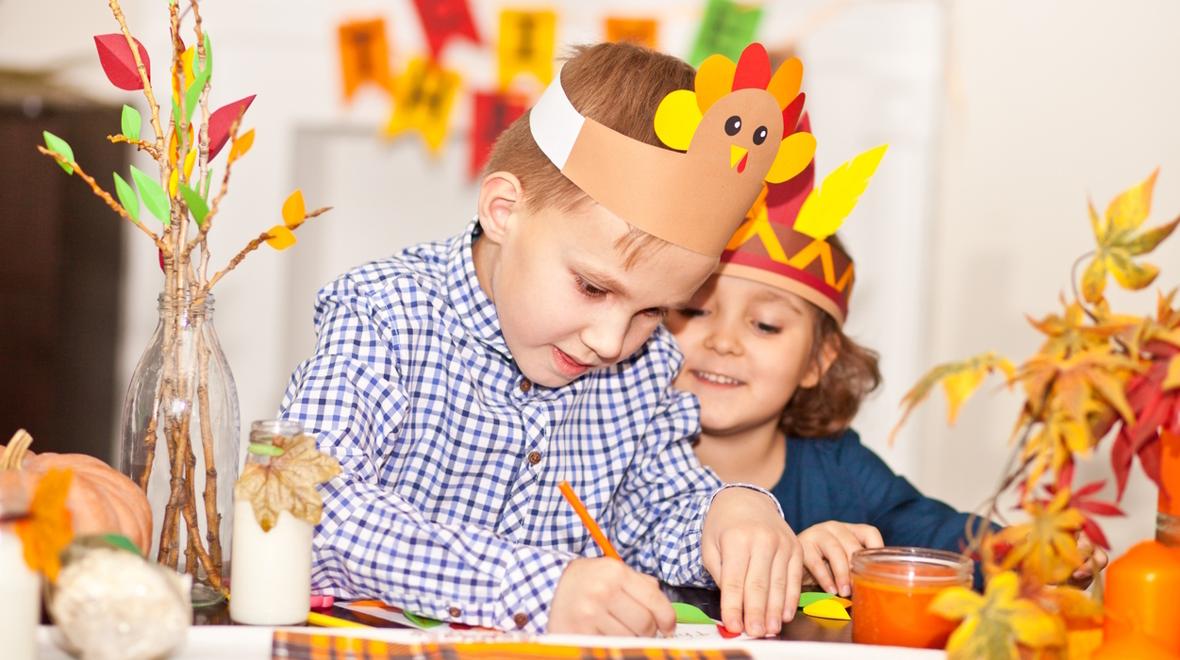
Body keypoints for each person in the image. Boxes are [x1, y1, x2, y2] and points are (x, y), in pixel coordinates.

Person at [279, 42, 819, 637]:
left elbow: (659, 509)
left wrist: (730, 512)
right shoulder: (386, 314)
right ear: (504, 210)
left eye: (656, 311)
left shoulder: (643, 366)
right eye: (592, 287)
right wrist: (536, 588)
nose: (613, 342)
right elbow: (301, 505)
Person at [667, 135, 1107, 597]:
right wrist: (793, 560)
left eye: (765, 325)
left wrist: (1021, 554)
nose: (723, 341)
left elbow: (933, 533)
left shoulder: (838, 466)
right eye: (695, 311)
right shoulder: (620, 453)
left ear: (818, 361)